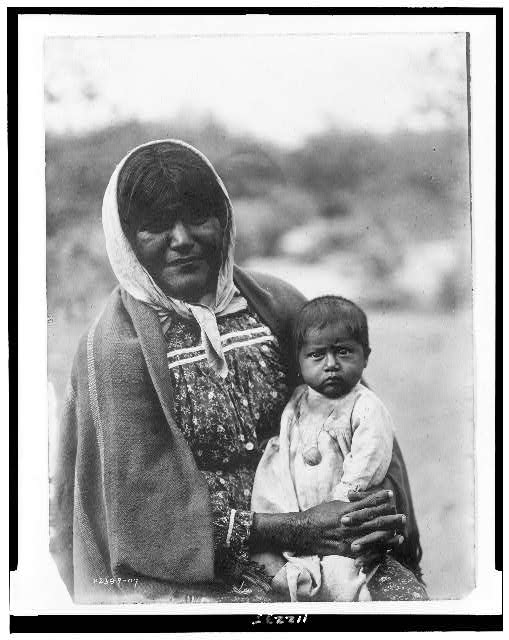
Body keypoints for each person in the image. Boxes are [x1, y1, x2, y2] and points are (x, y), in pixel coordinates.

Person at [51, 139, 426, 603]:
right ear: (126, 239)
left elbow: (359, 414)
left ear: (224, 219)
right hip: (193, 572)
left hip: (332, 534)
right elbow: (142, 520)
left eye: (199, 217)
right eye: (155, 226)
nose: (183, 239)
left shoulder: (278, 305)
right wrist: (296, 530)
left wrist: (372, 507)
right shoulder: (115, 351)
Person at [252, 295, 424, 601]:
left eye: (343, 352)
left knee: (346, 580)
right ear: (299, 360)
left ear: (365, 356)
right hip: (305, 521)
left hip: (344, 520)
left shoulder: (364, 406)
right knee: (290, 578)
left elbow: (370, 458)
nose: (331, 364)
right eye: (317, 355)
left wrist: (343, 504)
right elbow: (285, 451)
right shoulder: (297, 404)